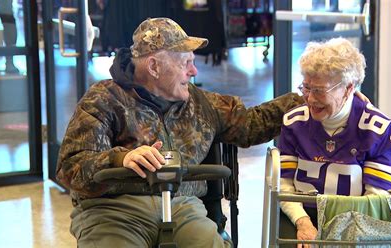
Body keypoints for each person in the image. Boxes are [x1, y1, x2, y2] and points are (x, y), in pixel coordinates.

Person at [56, 17, 303, 247]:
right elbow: (70, 168)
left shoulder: (201, 103)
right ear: (154, 67)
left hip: (182, 206)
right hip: (114, 210)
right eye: (186, 63)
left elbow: (251, 124)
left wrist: (308, 100)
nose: (194, 72)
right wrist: (120, 159)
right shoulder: (103, 99)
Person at [277, 38, 391, 248]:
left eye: (318, 90)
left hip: (358, 220)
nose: (309, 98)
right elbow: (284, 185)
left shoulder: (379, 130)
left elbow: (374, 201)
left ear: (348, 88)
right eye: (306, 87)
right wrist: (303, 222)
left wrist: (334, 237)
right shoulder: (294, 123)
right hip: (302, 214)